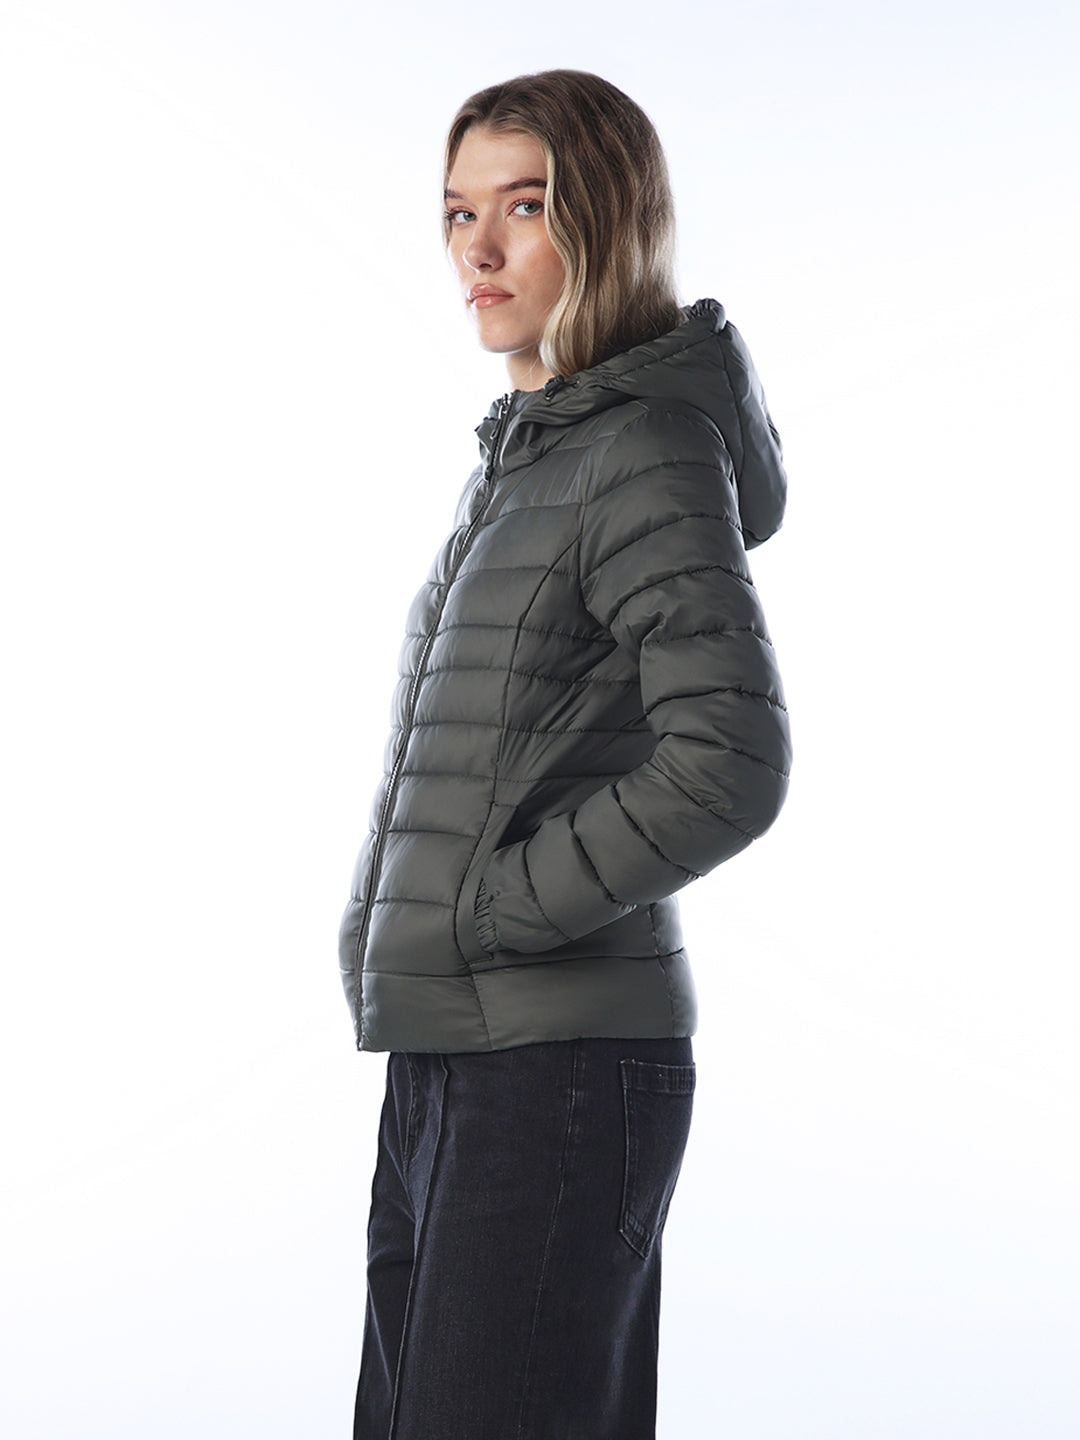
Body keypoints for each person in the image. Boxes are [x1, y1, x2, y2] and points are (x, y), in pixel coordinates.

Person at [340, 69, 791, 1440]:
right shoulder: (530, 459)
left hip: (558, 1069)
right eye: (457, 212)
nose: (477, 250)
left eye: (523, 207)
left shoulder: (642, 448)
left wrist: (492, 915)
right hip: (454, 1058)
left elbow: (730, 758)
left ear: (608, 219)